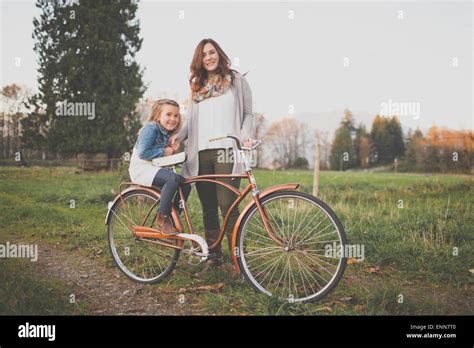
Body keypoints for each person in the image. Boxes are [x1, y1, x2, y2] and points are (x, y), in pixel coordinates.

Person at [171, 38, 254, 266]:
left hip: (228, 151)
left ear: (219, 53)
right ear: (199, 60)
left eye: (212, 52)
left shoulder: (236, 80)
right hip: (200, 152)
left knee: (228, 204)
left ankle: (240, 262)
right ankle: (214, 258)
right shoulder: (197, 87)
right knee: (208, 206)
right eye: (204, 54)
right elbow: (190, 121)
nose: (208, 57)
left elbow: (248, 114)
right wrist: (179, 136)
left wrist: (245, 134)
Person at [129, 99, 190, 235]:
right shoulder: (151, 128)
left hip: (155, 168)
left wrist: (173, 151)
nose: (173, 119)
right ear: (158, 115)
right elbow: (143, 153)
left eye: (176, 115)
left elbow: (162, 157)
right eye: (168, 115)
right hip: (142, 169)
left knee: (186, 184)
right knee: (172, 179)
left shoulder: (166, 133)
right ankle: (163, 219)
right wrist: (165, 151)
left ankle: (174, 217)